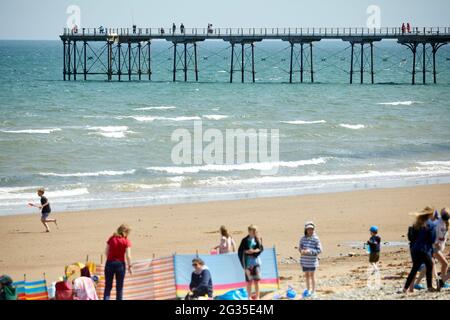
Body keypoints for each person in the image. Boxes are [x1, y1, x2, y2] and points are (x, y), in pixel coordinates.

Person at [403, 207, 437, 293]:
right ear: (430, 214)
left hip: (415, 249)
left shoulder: (417, 224)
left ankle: (405, 288)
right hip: (424, 249)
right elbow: (432, 239)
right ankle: (429, 287)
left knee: (414, 269)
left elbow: (412, 238)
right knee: (430, 265)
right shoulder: (431, 224)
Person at [104, 224, 133, 300]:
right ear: (126, 232)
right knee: (119, 288)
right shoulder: (126, 241)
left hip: (110, 263)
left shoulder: (112, 238)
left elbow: (106, 252)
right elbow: (128, 256)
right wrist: (130, 266)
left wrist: (110, 260)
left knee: (108, 287)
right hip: (120, 265)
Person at [238, 225, 264, 300]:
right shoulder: (244, 240)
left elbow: (261, 249)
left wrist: (255, 251)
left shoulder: (258, 239)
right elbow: (240, 251)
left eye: (256, 231)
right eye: (254, 231)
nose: (255, 232)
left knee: (257, 280)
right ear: (249, 231)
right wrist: (246, 251)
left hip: (256, 263)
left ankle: (257, 297)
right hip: (247, 263)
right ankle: (249, 297)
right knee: (249, 281)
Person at [299, 222, 322, 298]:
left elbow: (319, 250)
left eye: (311, 229)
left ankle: (313, 291)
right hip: (305, 261)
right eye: (308, 229)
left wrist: (310, 251)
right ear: (306, 230)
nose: (310, 230)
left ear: (313, 229)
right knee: (306, 276)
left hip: (312, 261)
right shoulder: (302, 238)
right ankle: (308, 290)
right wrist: (301, 251)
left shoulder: (316, 239)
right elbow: (300, 247)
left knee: (312, 276)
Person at [434, 208, 449, 289]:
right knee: (445, 264)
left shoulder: (446, 223)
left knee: (430, 265)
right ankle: (441, 282)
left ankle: (440, 281)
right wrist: (436, 243)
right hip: (434, 247)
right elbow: (432, 236)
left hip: (440, 247)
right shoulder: (437, 223)